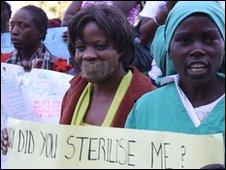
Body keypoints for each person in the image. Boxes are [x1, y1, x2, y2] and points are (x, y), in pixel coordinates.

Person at [125, 0, 225, 137]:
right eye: (184, 40)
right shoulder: (147, 108)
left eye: (209, 39)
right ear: (169, 51)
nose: (197, 50)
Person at [59, 4, 155, 127]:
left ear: (122, 49)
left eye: (100, 46)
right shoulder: (73, 92)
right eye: (81, 48)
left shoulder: (148, 99)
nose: (88, 55)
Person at [5, 5, 72, 72]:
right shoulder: (4, 62)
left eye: (22, 26)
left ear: (41, 32)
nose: (14, 31)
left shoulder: (58, 69)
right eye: (12, 26)